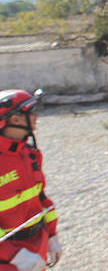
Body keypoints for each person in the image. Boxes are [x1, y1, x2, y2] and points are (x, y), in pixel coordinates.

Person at [0, 89, 62, 270]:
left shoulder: (30, 154)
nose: (36, 115)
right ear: (14, 119)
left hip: (36, 248)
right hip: (8, 259)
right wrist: (15, 256)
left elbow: (40, 197)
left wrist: (51, 235)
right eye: (30, 111)